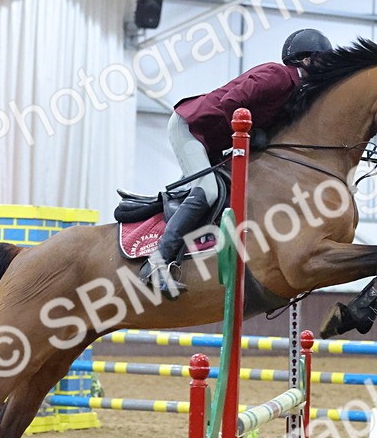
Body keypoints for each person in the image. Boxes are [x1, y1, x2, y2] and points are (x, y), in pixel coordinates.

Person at [141, 28, 334, 296]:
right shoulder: (277, 75)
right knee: (208, 191)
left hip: (212, 137)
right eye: (323, 60)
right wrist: (252, 133)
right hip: (192, 127)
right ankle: (156, 263)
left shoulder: (294, 91)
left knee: (228, 191)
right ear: (305, 59)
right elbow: (232, 102)